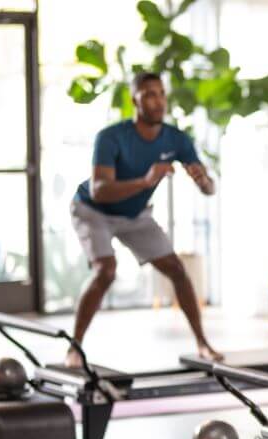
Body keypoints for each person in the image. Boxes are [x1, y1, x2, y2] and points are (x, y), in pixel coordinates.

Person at [66, 71, 221, 367]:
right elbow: (99, 191)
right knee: (106, 271)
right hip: (93, 210)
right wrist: (145, 180)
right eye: (149, 94)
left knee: (177, 268)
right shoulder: (111, 137)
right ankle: (74, 347)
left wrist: (203, 181)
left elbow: (209, 189)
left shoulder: (176, 139)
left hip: (134, 215)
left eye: (161, 93)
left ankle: (202, 343)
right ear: (134, 99)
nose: (158, 101)